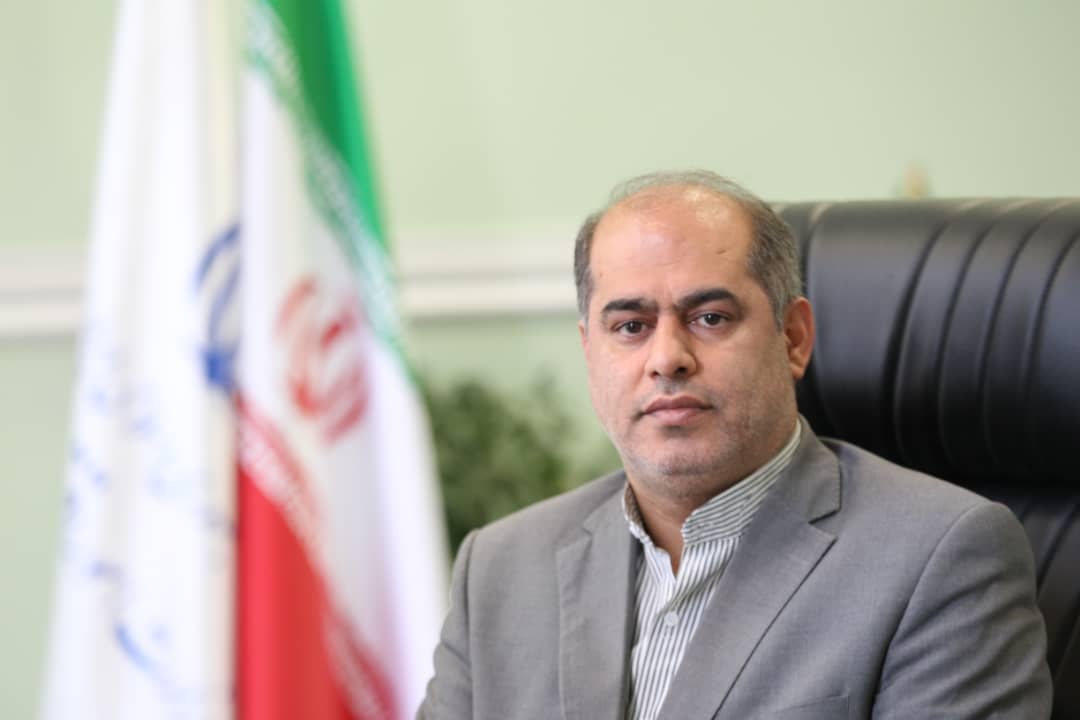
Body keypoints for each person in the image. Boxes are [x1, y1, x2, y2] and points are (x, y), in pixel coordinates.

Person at [417, 170, 1052, 719]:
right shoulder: (500, 567)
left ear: (793, 338)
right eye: (631, 326)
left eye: (710, 318)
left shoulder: (942, 557)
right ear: (591, 353)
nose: (667, 357)